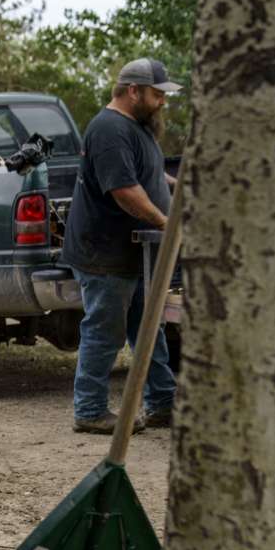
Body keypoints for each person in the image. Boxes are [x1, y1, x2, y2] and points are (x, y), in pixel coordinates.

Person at [61, 58, 181, 434]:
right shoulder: (109, 129)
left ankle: (162, 402)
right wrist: (166, 222)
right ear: (133, 91)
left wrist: (173, 185)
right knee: (105, 329)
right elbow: (124, 190)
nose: (163, 101)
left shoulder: (134, 127)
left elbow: (140, 171)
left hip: (134, 253)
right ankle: (90, 409)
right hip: (105, 253)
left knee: (149, 328)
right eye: (157, 94)